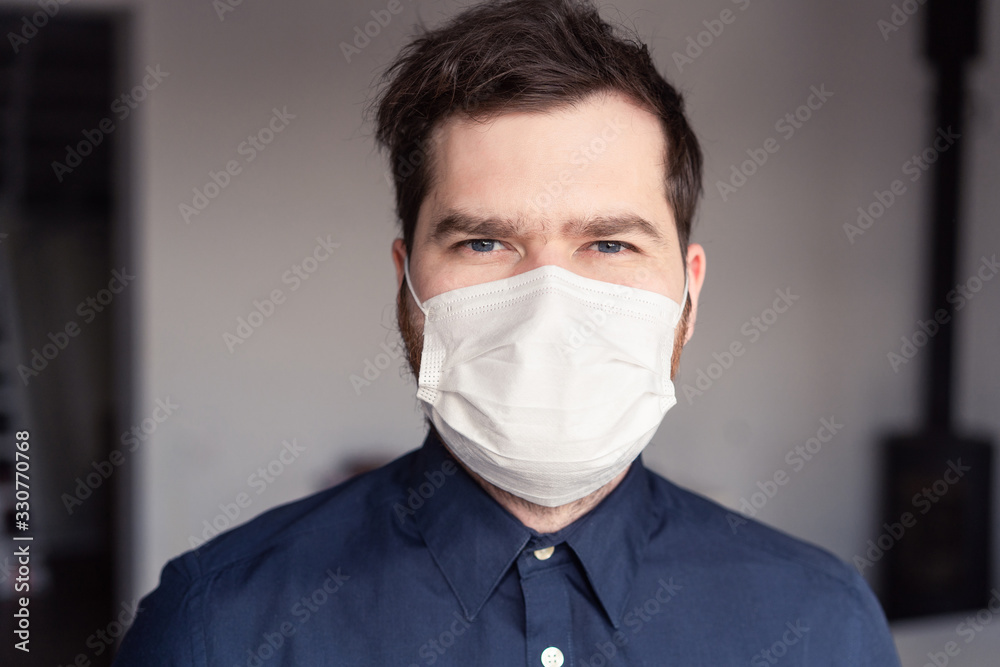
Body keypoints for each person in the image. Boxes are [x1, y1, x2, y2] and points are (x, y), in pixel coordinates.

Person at [115, 0, 901, 664]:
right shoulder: (218, 624)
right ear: (408, 280)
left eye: (609, 243)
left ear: (689, 292)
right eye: (484, 242)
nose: (548, 306)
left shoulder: (823, 626)